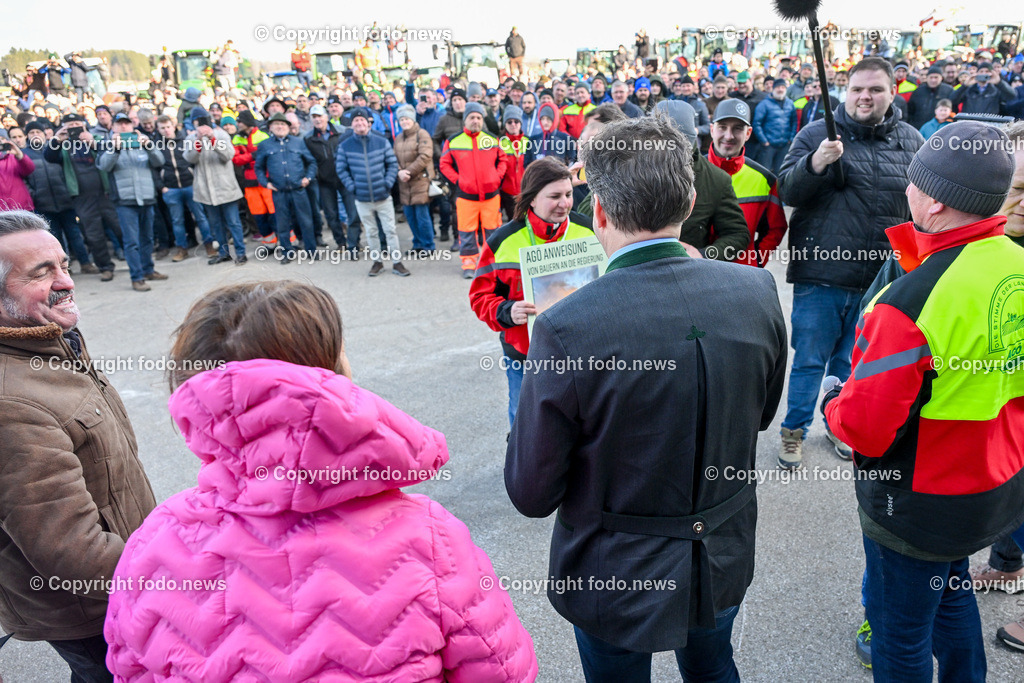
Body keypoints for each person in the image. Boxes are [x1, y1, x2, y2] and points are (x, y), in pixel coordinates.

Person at [103, 280, 538, 683]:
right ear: (329, 379)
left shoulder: (152, 545)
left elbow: (130, 670)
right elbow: (499, 670)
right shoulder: (429, 538)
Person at [505, 115, 787, 682]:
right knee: (714, 668)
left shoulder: (565, 327)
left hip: (617, 570)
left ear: (600, 213)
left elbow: (532, 491)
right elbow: (760, 415)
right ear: (687, 202)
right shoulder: (756, 289)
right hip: (720, 550)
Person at [822, 121, 1024, 681]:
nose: (904, 189)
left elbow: (863, 430)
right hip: (994, 483)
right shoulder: (1015, 263)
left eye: (911, 179)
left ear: (933, 198)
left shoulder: (907, 301)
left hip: (919, 501)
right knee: (952, 594)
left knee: (900, 634)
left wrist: (833, 404)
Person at [0, 210, 156, 682]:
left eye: (63, 264)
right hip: (90, 607)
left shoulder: (49, 341)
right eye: (41, 272)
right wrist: (171, 578)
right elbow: (69, 548)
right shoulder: (9, 401)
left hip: (124, 578)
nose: (66, 281)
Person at [776, 57, 924, 469]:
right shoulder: (815, 134)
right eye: (858, 88)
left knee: (852, 363)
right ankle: (794, 430)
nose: (865, 97)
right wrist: (816, 163)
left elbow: (923, 209)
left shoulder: (912, 141)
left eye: (876, 89)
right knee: (808, 360)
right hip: (821, 276)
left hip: (881, 280)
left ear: (892, 93)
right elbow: (788, 190)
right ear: (845, 91)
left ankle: (840, 427)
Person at [470, 157, 593, 426]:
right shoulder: (503, 240)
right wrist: (507, 311)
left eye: (569, 194)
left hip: (582, 352)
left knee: (578, 420)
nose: (565, 203)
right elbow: (479, 298)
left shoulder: (588, 229)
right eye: (555, 196)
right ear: (532, 199)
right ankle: (523, 465)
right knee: (525, 421)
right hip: (524, 354)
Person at [655, 100, 750, 262]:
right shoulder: (627, 168)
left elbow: (737, 234)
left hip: (686, 276)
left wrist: (703, 254)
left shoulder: (715, 179)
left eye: (678, 140)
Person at [707, 99, 788, 267]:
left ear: (748, 133)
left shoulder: (764, 179)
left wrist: (755, 261)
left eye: (737, 128)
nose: (729, 136)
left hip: (742, 278)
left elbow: (775, 228)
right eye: (723, 127)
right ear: (712, 129)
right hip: (696, 276)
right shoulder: (688, 173)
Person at [97, 112, 168, 292]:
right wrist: (115, 148)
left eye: (126, 124)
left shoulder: (142, 143)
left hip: (146, 197)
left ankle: (148, 270)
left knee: (148, 238)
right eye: (119, 124)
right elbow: (104, 166)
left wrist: (149, 145)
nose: (123, 127)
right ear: (113, 127)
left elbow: (159, 161)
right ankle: (136, 277)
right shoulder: (108, 145)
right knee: (131, 242)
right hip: (125, 201)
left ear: (132, 126)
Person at [45, 113, 121, 280]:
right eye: (70, 124)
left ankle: (138, 263)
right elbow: (49, 157)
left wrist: (92, 142)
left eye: (77, 123)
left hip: (105, 193)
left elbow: (112, 151)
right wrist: (57, 139)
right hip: (81, 197)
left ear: (84, 124)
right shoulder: (63, 144)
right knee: (94, 235)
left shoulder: (95, 137)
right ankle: (105, 267)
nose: (74, 127)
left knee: (120, 228)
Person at [335, 107, 409, 277]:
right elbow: (341, 169)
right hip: (362, 198)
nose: (360, 123)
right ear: (352, 124)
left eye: (362, 120)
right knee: (371, 231)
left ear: (368, 122)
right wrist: (352, 186)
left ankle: (397, 262)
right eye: (356, 121)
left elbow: (391, 164)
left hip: (383, 195)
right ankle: (377, 262)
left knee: (390, 230)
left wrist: (388, 183)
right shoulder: (345, 145)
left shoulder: (381, 141)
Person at [439, 102, 507, 278]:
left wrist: (496, 177)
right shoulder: (453, 141)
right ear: (465, 120)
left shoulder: (492, 139)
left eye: (478, 117)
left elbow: (503, 160)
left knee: (492, 230)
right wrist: (459, 180)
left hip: (491, 196)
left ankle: (491, 263)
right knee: (466, 231)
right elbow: (444, 164)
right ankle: (469, 263)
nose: (475, 120)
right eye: (472, 117)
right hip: (466, 197)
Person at [23, 121, 98, 274]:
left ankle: (85, 263)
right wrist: (34, 194)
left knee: (75, 235)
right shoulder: (24, 154)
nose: (35, 135)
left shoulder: (57, 148)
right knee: (54, 239)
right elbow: (25, 180)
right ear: (27, 136)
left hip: (65, 200)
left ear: (45, 134)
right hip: (43, 203)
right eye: (31, 133)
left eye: (38, 131)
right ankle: (63, 269)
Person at [184, 108, 246, 265]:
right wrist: (198, 140)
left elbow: (228, 155)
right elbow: (190, 158)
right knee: (215, 224)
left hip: (225, 187)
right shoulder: (191, 138)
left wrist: (212, 139)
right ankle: (223, 253)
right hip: (206, 190)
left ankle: (240, 253)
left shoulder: (221, 134)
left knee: (233, 222)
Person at [255, 112, 318, 263]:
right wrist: (266, 183)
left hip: (298, 190)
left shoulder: (298, 142)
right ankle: (286, 252)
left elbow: (311, 162)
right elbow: (259, 167)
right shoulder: (265, 145)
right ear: (270, 127)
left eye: (283, 124)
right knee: (282, 223)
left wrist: (307, 178)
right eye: (276, 124)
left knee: (306, 221)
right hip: (279, 191)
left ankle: (311, 251)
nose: (280, 127)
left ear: (289, 127)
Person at [154, 115, 215, 261]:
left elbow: (194, 161)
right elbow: (154, 168)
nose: (166, 130)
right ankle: (182, 248)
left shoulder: (185, 140)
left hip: (190, 184)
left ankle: (209, 244)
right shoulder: (156, 145)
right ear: (158, 129)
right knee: (177, 221)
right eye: (162, 128)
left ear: (173, 126)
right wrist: (162, 187)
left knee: (200, 217)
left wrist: (197, 180)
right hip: (170, 188)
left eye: (168, 127)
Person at [304, 104, 356, 253]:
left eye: (319, 116)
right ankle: (341, 242)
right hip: (324, 181)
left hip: (344, 178)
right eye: (314, 117)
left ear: (326, 117)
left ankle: (353, 242)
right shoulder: (309, 138)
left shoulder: (342, 132)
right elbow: (309, 160)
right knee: (331, 215)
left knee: (352, 213)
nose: (317, 119)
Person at [393, 104, 436, 255]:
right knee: (410, 216)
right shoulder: (398, 138)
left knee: (422, 216)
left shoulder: (422, 134)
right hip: (405, 183)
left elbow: (425, 156)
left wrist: (408, 172)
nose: (405, 122)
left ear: (412, 119)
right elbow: (394, 158)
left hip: (420, 181)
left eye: (407, 119)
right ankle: (417, 244)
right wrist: (399, 172)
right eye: (402, 119)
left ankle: (428, 245)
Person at [232, 110, 276, 243]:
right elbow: (236, 160)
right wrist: (252, 156)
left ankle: (286, 242)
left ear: (247, 122)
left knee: (274, 213)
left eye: (240, 121)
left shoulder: (262, 135)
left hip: (265, 179)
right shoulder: (237, 138)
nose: (238, 124)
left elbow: (269, 156)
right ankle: (269, 243)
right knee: (258, 215)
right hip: (249, 181)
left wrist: (249, 158)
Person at [752, 79, 797, 176]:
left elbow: (794, 122)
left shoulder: (790, 104)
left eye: (783, 87)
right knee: (764, 172)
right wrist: (764, 141)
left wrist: (791, 138)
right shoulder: (764, 104)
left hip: (784, 145)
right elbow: (757, 123)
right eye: (778, 87)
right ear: (773, 89)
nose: (780, 89)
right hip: (769, 146)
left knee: (781, 173)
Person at [498, 105, 526, 220]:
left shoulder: (529, 142)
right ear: (505, 125)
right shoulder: (499, 143)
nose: (513, 124)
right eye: (509, 122)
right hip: (506, 193)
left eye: (516, 121)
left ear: (520, 123)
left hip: (525, 191)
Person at [525, 103, 574, 167]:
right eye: (542, 119)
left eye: (548, 119)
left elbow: (572, 161)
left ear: (554, 119)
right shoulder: (533, 140)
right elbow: (527, 164)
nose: (545, 122)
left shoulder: (565, 138)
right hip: (539, 176)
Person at [0, 128, 34, 210]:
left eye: (2, 139)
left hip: (21, 206)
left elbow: (29, 169)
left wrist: (19, 155)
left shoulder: (12, 157)